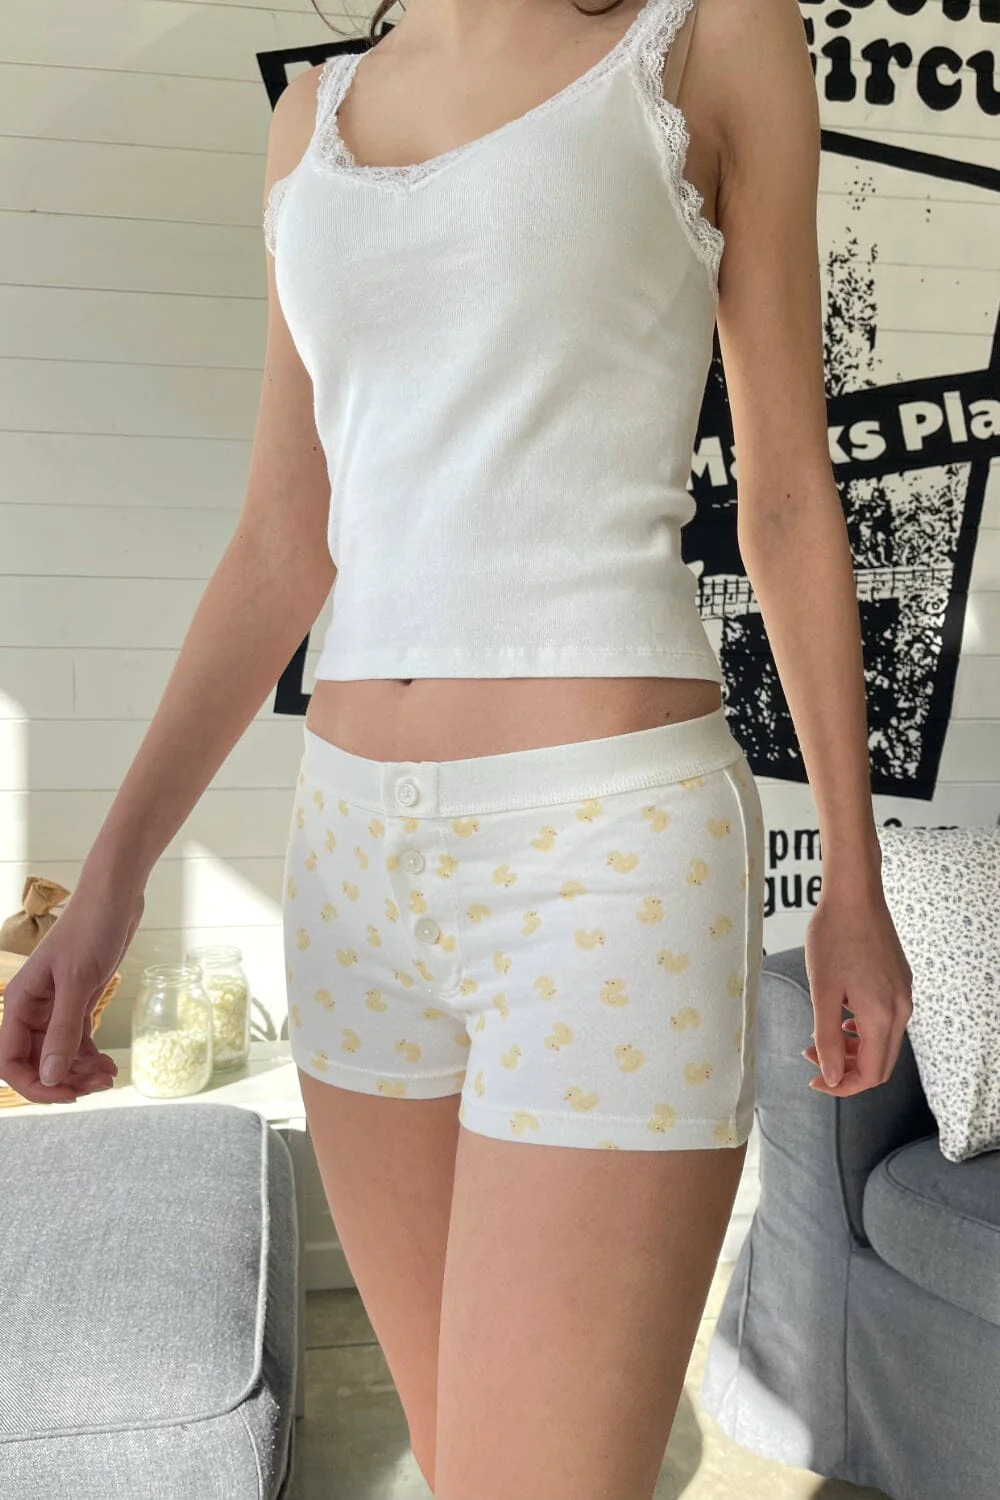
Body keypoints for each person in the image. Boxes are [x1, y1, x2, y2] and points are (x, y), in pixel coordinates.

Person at [0, 0, 913, 1495]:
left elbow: (789, 495)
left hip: (606, 856)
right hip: (349, 864)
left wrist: (853, 884)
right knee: (457, 1461)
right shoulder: (311, 118)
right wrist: (108, 886)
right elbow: (282, 541)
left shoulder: (705, 39)